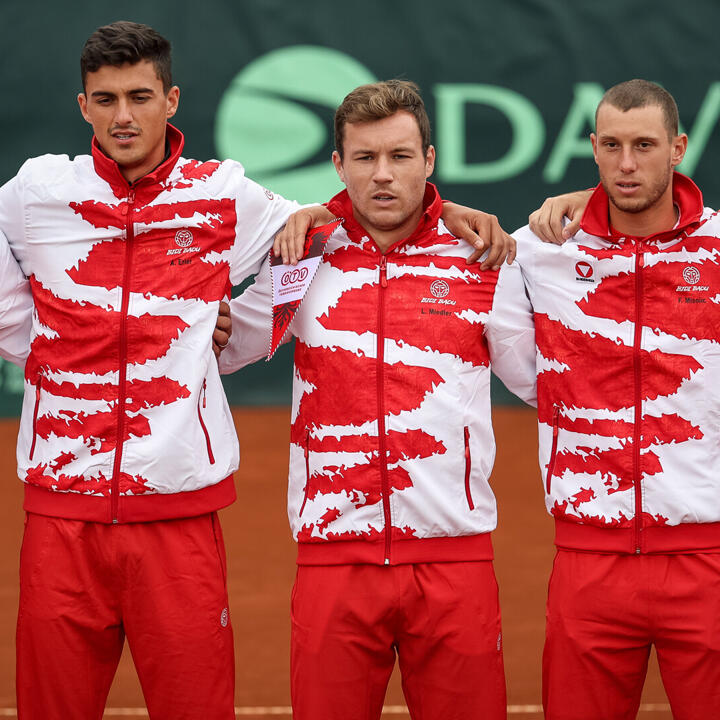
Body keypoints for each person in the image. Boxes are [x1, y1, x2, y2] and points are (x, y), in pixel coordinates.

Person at [0, 21, 517, 720]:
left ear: (172, 99)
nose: (125, 115)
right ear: (84, 104)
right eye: (107, 98)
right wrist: (42, 343)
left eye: (141, 96)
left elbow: (328, 217)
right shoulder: (37, 190)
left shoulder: (227, 197)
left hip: (185, 507)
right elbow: (295, 266)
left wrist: (444, 209)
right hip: (63, 505)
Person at [220, 80, 537, 720]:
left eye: (400, 156)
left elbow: (540, 381)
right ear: (338, 164)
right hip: (333, 561)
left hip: (454, 560)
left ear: (430, 160)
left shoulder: (482, 257)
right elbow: (226, 346)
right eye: (365, 159)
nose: (383, 176)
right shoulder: (302, 255)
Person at [514, 79, 720, 719]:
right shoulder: (538, 251)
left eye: (644, 145)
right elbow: (430, 236)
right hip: (588, 559)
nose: (627, 164)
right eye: (612, 145)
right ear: (593, 148)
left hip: (707, 558)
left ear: (678, 148)